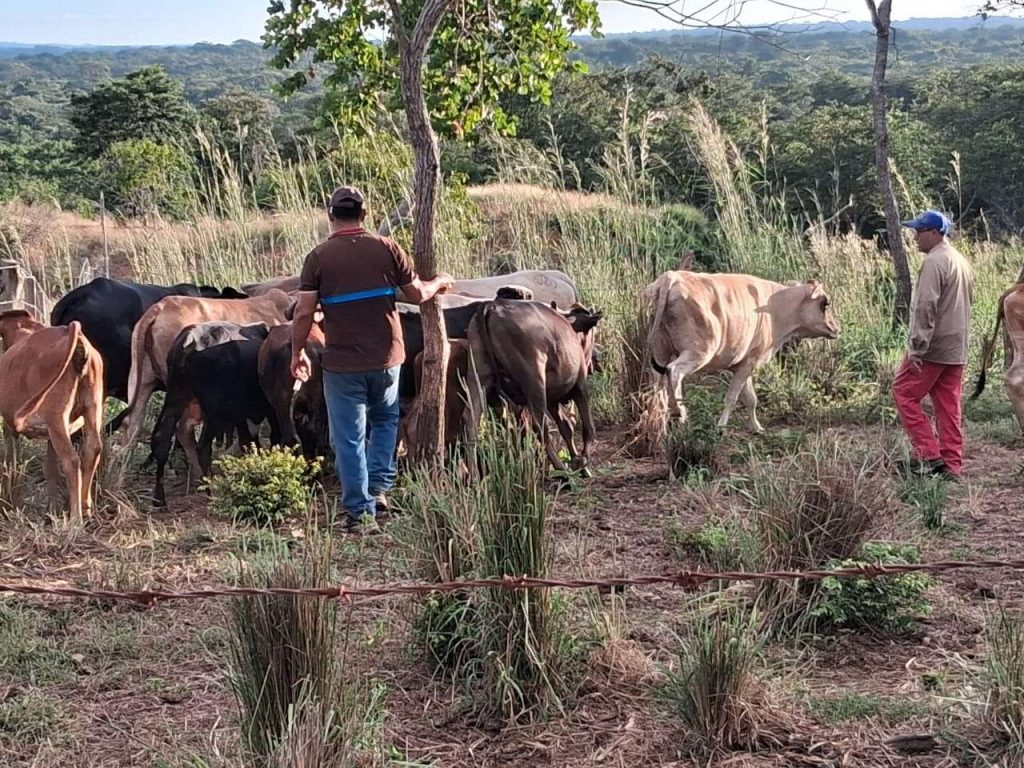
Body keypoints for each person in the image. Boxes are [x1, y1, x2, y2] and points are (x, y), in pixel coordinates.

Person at [290, 186, 454, 532]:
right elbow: (419, 294)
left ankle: (360, 513)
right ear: (364, 214)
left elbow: (304, 311)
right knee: (385, 422)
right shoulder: (388, 249)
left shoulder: (318, 258)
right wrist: (439, 281)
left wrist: (296, 352)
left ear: (330, 215)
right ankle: (379, 489)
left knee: (348, 437)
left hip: (342, 364)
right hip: (387, 358)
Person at [893, 209, 973, 480]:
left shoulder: (934, 262)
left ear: (934, 233)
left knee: (903, 392)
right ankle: (952, 466)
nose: (915, 237)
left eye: (919, 231)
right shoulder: (960, 260)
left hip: (933, 346)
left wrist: (917, 347)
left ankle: (927, 454)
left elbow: (926, 306)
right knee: (948, 405)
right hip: (957, 346)